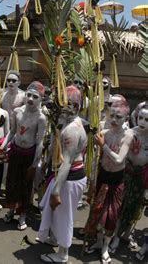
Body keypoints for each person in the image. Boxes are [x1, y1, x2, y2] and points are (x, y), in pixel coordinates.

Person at [38, 86, 87, 263]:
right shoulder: (69, 122)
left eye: (63, 104)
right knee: (57, 213)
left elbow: (66, 162)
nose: (59, 108)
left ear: (75, 107)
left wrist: (56, 190)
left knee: (65, 216)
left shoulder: (72, 130)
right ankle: (54, 238)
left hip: (69, 178)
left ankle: (62, 254)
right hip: (66, 175)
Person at [85, 98, 133, 264]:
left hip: (117, 180)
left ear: (126, 119)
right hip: (103, 177)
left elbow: (119, 159)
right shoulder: (104, 133)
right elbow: (95, 160)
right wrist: (91, 181)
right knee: (98, 212)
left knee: (111, 217)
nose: (114, 120)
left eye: (118, 117)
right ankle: (98, 242)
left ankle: (106, 246)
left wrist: (103, 146)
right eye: (112, 115)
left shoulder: (128, 136)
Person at [2, 81, 47, 230]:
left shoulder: (41, 118)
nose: (31, 99)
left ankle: (22, 215)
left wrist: (35, 164)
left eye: (35, 96)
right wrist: (2, 146)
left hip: (29, 155)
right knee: (12, 182)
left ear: (40, 99)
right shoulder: (17, 112)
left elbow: (40, 142)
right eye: (29, 95)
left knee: (25, 186)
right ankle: (11, 210)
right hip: (15, 151)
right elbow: (12, 131)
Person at [108, 106, 148, 254]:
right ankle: (114, 235)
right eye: (141, 118)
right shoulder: (130, 133)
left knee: (134, 208)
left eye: (147, 119)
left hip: (141, 179)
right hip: (125, 175)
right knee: (120, 206)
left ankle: (124, 233)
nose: (143, 122)